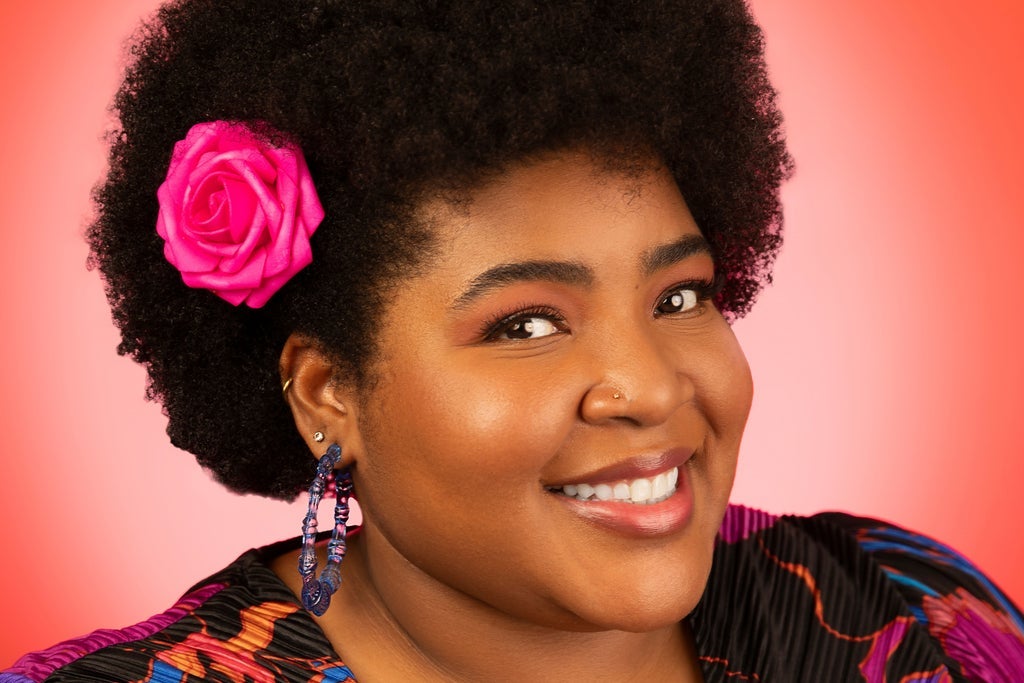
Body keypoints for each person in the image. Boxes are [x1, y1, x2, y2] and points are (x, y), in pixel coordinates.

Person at [3, 0, 1023, 680]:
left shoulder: (905, 612)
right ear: (325, 391)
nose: (647, 386)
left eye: (678, 296)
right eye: (526, 323)